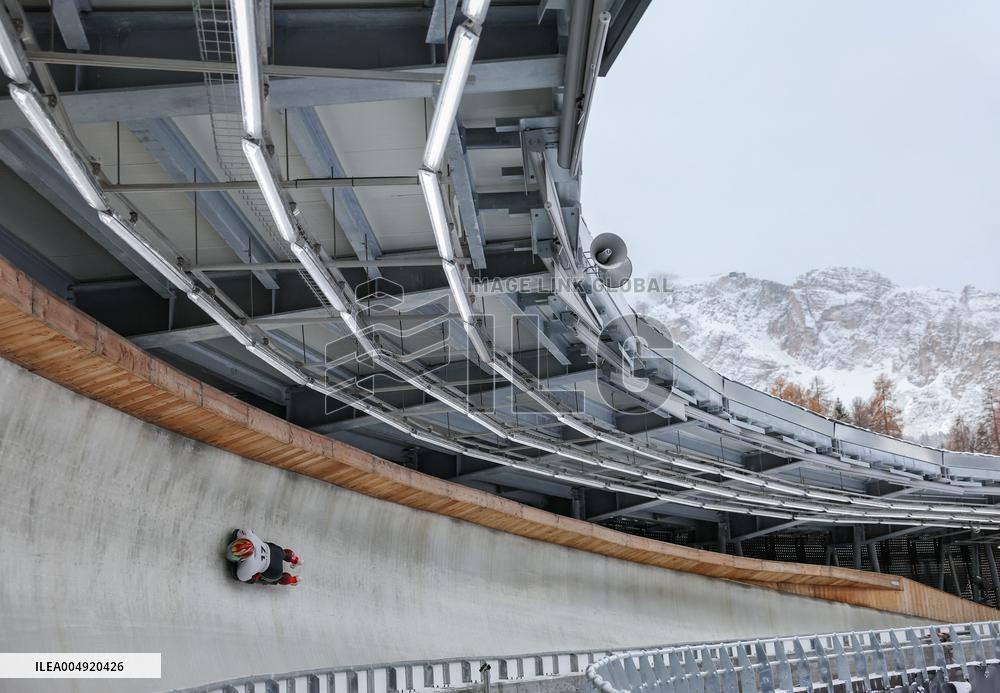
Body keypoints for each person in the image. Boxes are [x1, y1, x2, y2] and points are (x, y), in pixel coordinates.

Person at [226, 529, 302, 586]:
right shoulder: (247, 534)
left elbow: (243, 578)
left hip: (273, 569)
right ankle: (296, 560)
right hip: (274, 550)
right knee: (283, 553)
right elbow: (245, 531)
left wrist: (255, 577)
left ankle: (293, 580)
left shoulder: (249, 565)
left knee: (279, 577)